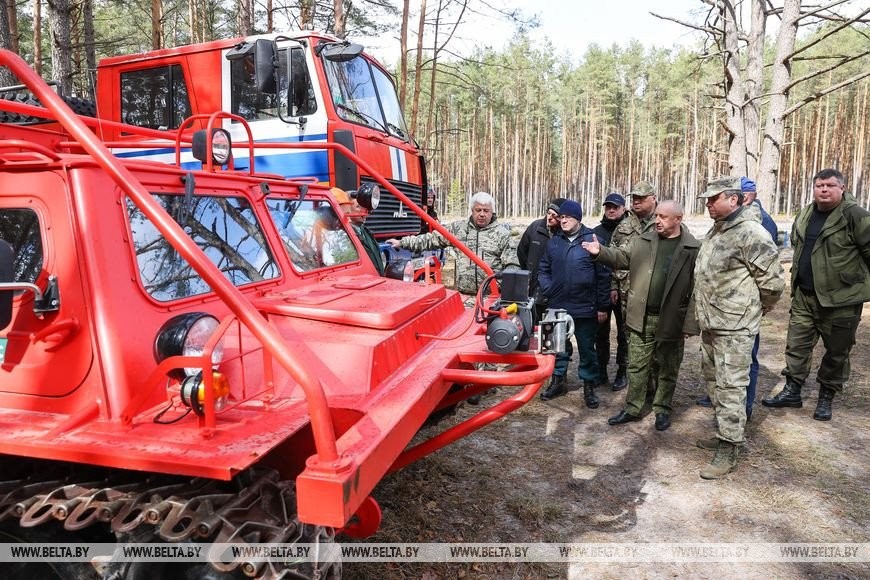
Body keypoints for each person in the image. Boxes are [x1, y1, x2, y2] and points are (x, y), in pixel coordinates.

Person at [694, 176, 784, 479]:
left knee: (732, 387)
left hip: (735, 327)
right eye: (706, 200)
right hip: (712, 323)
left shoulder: (751, 233)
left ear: (733, 199)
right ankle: (723, 432)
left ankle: (729, 448)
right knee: (714, 382)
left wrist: (752, 311)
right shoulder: (718, 230)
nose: (708, 204)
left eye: (713, 198)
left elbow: (772, 284)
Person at [761, 168, 870, 421]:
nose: (824, 190)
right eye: (819, 185)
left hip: (840, 301)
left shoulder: (856, 216)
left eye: (830, 185)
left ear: (842, 188)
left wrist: (856, 286)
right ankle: (792, 391)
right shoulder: (806, 214)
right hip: (804, 296)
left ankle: (826, 396)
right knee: (797, 347)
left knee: (837, 351)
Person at [584, 200, 700, 431]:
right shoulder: (643, 241)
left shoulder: (693, 248)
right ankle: (633, 407)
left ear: (678, 219)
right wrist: (601, 252)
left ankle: (662, 409)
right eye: (656, 216)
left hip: (671, 320)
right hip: (641, 316)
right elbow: (622, 257)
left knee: (668, 367)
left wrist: (690, 322)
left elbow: (698, 289)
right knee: (636, 365)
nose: (657, 220)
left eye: (663, 217)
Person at [536, 200, 610, 407]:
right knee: (555, 347)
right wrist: (549, 289)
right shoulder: (554, 241)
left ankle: (588, 385)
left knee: (587, 348)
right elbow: (543, 269)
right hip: (557, 304)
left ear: (578, 218)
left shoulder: (593, 239)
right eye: (562, 217)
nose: (564, 220)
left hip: (585, 306)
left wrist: (602, 306)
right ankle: (558, 380)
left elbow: (604, 275)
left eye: (569, 217)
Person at [387, 191, 518, 296]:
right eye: (478, 210)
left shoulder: (502, 234)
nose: (482, 214)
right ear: (472, 210)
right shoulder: (458, 229)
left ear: (492, 212)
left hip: (491, 297)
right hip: (463, 296)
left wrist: (505, 294)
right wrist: (402, 242)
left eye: (486, 210)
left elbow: (512, 267)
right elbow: (431, 239)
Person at [608, 181, 657, 391]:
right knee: (629, 338)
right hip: (628, 295)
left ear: (653, 198)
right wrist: (613, 286)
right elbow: (613, 255)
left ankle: (655, 385)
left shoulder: (664, 221)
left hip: (656, 295)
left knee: (655, 341)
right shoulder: (624, 226)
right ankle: (636, 382)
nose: (636, 201)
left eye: (641, 198)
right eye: (634, 198)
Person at [593, 193, 629, 390]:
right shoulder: (595, 232)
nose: (611, 210)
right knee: (600, 334)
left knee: (624, 334)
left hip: (625, 291)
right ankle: (601, 371)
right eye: (608, 207)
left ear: (624, 208)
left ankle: (623, 372)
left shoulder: (632, 231)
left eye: (615, 207)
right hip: (601, 291)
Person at [517, 197, 566, 320]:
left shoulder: (565, 232)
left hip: (557, 290)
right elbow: (521, 251)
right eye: (548, 213)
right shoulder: (535, 227)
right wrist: (530, 270)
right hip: (534, 287)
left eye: (555, 216)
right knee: (533, 323)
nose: (550, 218)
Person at [332, 187, 385, 275]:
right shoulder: (344, 235)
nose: (364, 211)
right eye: (358, 207)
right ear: (348, 209)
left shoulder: (366, 232)